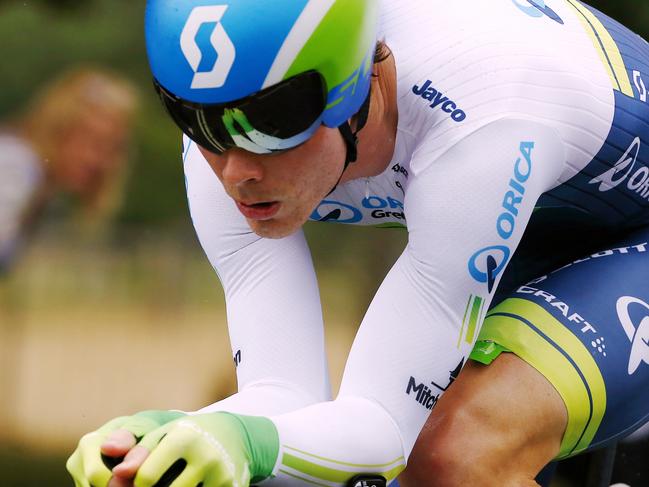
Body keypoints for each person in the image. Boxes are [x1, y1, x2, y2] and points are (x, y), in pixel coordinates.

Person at [67, 1, 649, 486]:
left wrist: (251, 445)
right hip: (525, 223)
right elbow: (285, 396)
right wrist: (179, 437)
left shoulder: (482, 117)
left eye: (268, 126)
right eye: (196, 123)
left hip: (611, 228)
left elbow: (383, 431)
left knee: (456, 454)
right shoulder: (225, 132)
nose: (237, 172)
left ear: (351, 91)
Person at [0, 67, 137, 274]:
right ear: (57, 128)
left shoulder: (36, 186)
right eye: (93, 141)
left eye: (114, 148)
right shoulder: (15, 168)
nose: (101, 161)